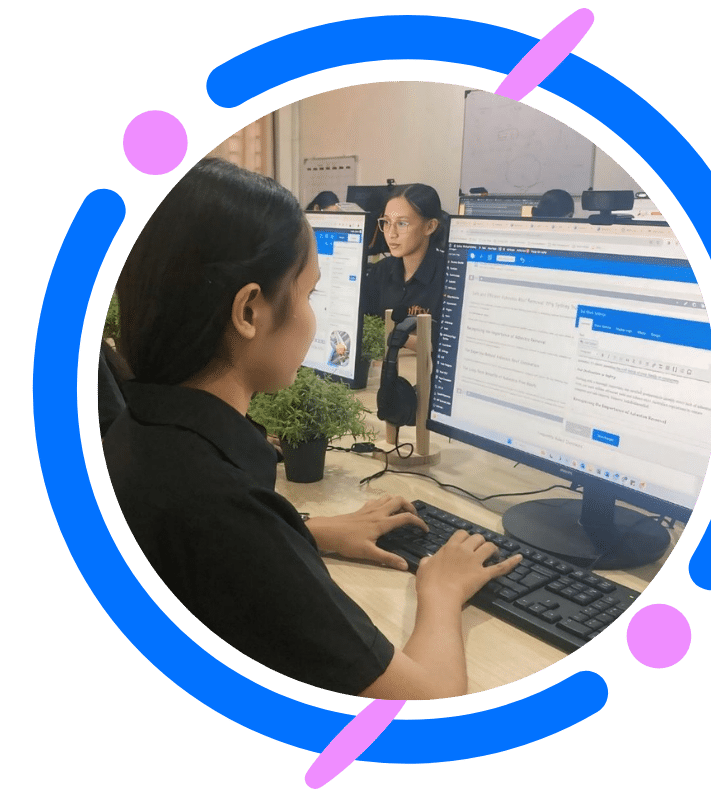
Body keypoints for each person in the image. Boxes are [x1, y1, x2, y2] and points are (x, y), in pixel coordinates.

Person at [102, 158, 520, 700]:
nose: (314, 317)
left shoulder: (138, 429)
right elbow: (428, 704)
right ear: (250, 311)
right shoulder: (219, 507)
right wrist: (440, 588)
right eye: (309, 294)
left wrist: (308, 530)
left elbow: (205, 553)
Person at [362, 183, 448, 352]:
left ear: (430, 226)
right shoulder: (380, 272)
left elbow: (447, 345)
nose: (391, 233)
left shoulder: (448, 278)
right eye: (386, 222)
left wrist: (397, 338)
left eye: (402, 224)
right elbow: (363, 324)